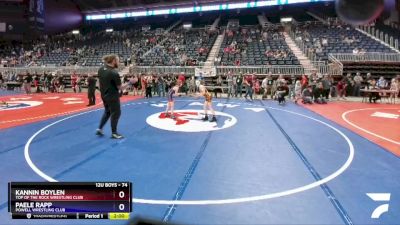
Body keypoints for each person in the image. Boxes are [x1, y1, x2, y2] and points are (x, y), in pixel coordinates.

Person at [96, 54, 125, 139]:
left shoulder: (101, 69)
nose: (119, 62)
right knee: (116, 113)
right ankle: (114, 133)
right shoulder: (114, 73)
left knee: (108, 112)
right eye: (118, 60)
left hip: (104, 95)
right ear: (113, 61)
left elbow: (100, 83)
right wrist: (130, 82)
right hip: (112, 96)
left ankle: (99, 129)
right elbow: (120, 87)